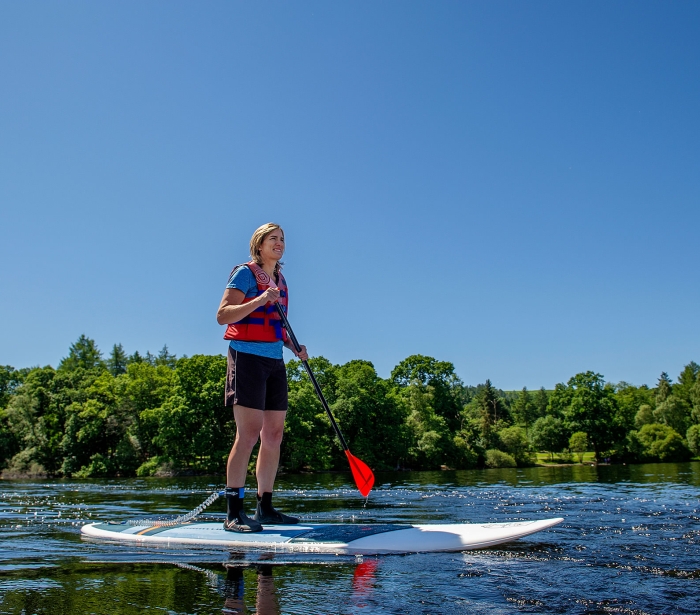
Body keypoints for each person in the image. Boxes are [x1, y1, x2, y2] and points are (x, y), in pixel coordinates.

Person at [216, 223, 308, 532]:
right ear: (259, 244)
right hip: (246, 358)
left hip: (274, 361)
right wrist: (258, 300)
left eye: (283, 239)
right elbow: (223, 314)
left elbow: (277, 326)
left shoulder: (281, 280)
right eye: (274, 238)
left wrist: (294, 346)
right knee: (249, 433)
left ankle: (264, 508)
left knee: (274, 434)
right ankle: (233, 514)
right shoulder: (245, 273)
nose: (280, 243)